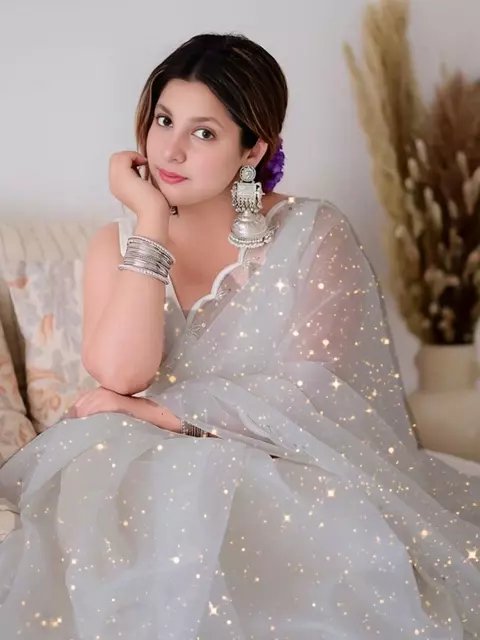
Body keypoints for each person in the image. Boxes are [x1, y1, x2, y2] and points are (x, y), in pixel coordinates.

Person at [0, 32, 479, 640]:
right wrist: (152, 221)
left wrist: (162, 413)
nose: (171, 149)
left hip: (286, 462)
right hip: (144, 467)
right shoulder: (116, 242)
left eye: (203, 133)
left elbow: (317, 394)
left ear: (253, 149)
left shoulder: (312, 232)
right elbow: (120, 375)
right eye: (164, 120)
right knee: (114, 501)